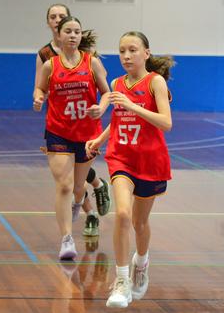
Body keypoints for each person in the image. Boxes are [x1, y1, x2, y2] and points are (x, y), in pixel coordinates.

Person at [85, 31, 174, 308]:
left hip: (150, 161)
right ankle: (121, 281)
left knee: (140, 223)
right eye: (122, 50)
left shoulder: (155, 82)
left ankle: (142, 261)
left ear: (146, 53)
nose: (126, 56)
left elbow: (165, 123)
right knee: (122, 214)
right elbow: (119, 118)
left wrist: (134, 106)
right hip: (121, 158)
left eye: (133, 50)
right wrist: (99, 138)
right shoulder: (116, 83)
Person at [33, 16, 110, 260]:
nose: (73, 35)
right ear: (60, 35)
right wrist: (38, 98)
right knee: (64, 185)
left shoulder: (92, 63)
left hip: (88, 133)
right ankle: (66, 240)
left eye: (77, 31)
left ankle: (79, 202)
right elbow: (39, 88)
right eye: (68, 31)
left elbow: (107, 92)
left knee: (78, 188)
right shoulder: (50, 65)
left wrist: (101, 106)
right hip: (58, 130)